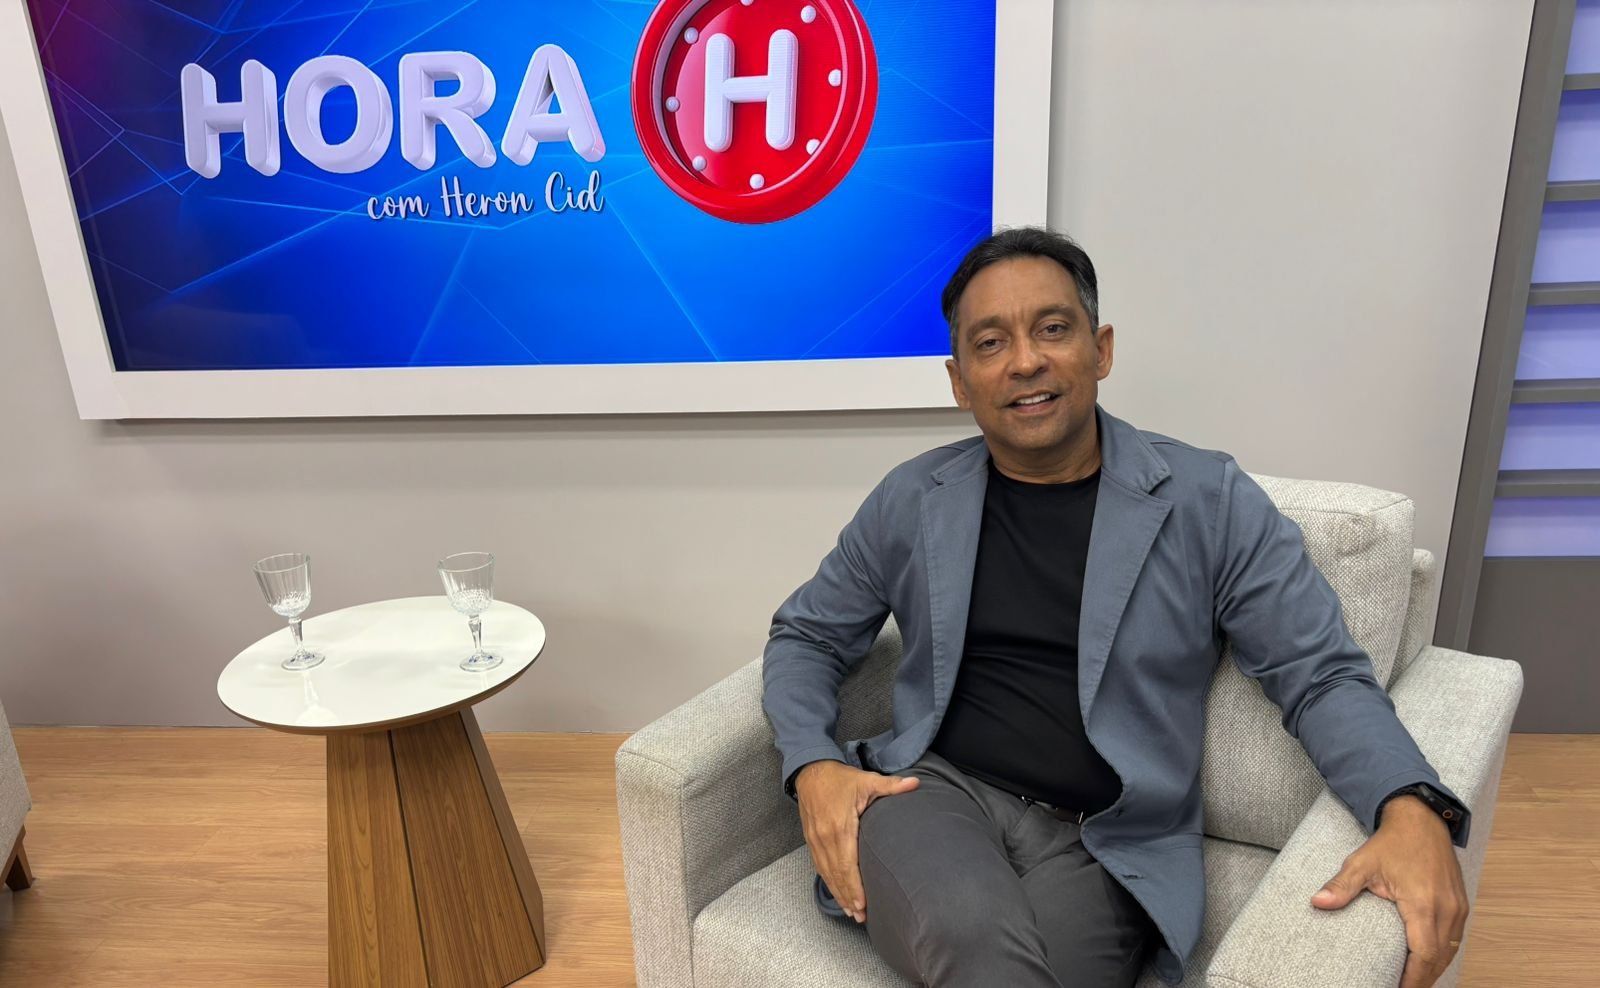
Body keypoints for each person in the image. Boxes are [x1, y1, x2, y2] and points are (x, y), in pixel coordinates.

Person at [761, 227, 1471, 988]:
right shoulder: (913, 497)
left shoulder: (1209, 501)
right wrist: (814, 763)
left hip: (1107, 843)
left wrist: (1407, 803)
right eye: (991, 343)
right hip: (933, 793)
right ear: (960, 381)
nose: (1025, 361)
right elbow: (806, 635)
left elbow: (1318, 672)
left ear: (1100, 351)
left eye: (1052, 329)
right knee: (970, 936)